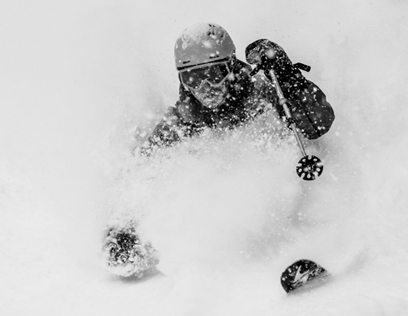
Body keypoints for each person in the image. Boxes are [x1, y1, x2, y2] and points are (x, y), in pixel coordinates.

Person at [104, 22, 334, 277]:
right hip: (236, 231)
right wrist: (123, 228)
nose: (205, 89)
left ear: (231, 67)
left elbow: (318, 125)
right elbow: (143, 169)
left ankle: (304, 249)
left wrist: (290, 79)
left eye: (213, 75)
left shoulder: (263, 91)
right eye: (192, 78)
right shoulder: (184, 121)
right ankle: (222, 275)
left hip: (291, 203)